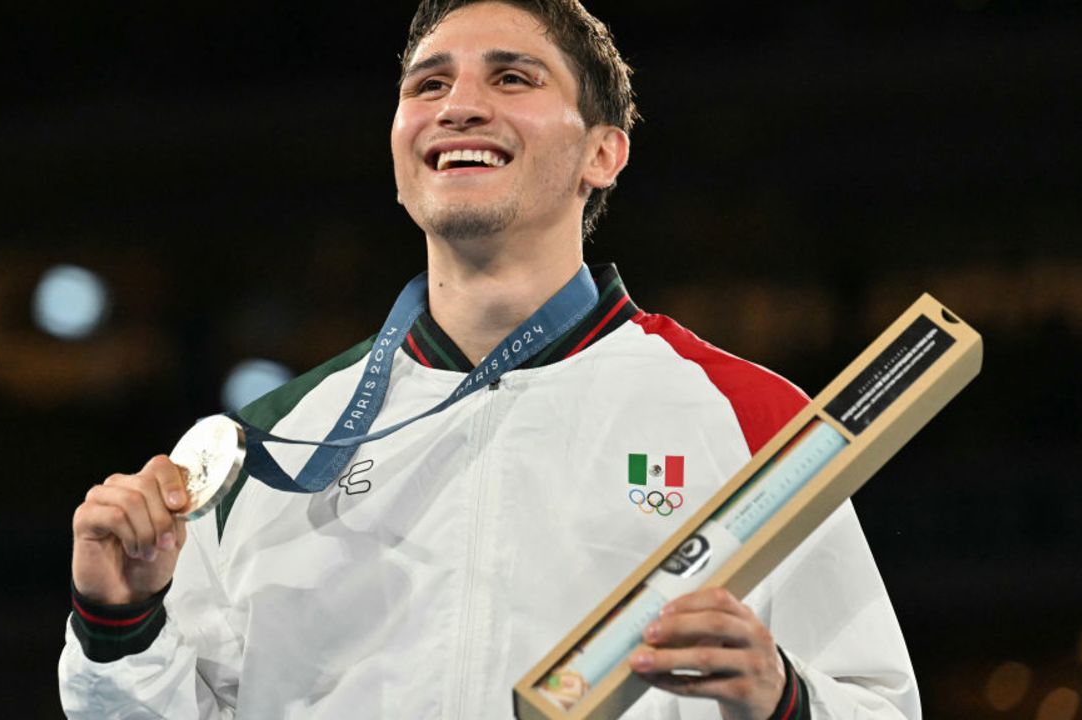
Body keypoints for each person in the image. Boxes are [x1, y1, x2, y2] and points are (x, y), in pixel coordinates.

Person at [59, 1, 921, 718]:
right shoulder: (271, 446)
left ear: (603, 151)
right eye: (429, 84)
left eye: (512, 77)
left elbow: (882, 704)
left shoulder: (755, 421)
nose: (457, 105)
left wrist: (786, 700)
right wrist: (120, 620)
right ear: (401, 153)